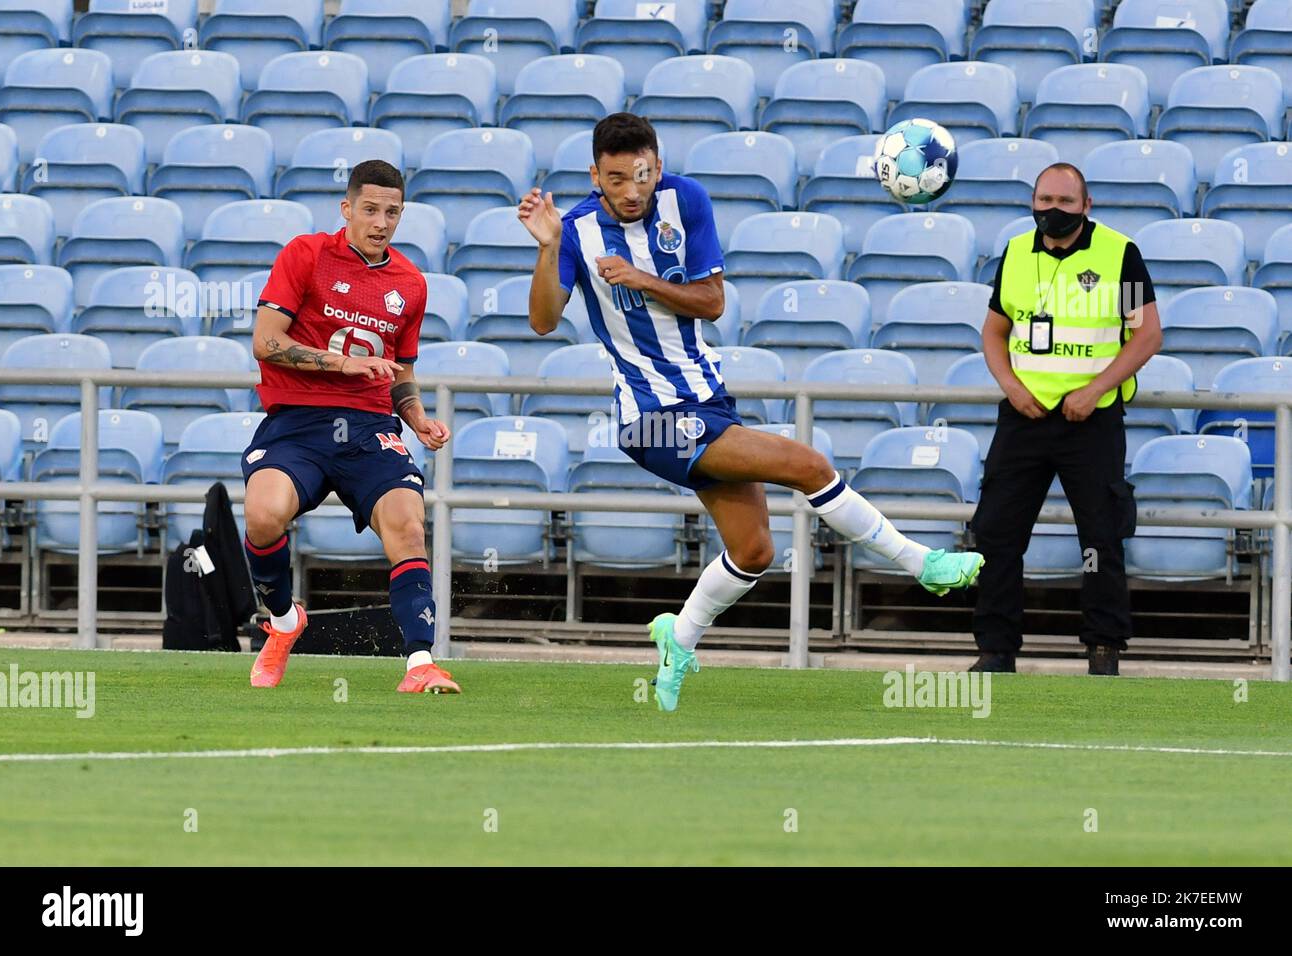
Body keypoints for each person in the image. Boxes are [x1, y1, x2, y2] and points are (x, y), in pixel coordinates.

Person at [518, 113, 984, 711]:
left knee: (755, 550)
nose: (631, 191)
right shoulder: (576, 230)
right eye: (616, 179)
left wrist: (641, 278)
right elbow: (541, 321)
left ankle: (677, 639)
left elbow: (711, 302)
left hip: (708, 397)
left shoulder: (685, 201)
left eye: (641, 175)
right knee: (808, 465)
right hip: (651, 417)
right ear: (595, 176)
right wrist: (550, 245)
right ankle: (921, 562)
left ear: (657, 167)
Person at [240, 159, 460, 694]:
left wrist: (417, 418)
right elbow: (266, 341)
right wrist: (341, 364)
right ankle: (285, 621)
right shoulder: (307, 254)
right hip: (298, 419)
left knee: (408, 524)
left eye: (392, 212)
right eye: (370, 210)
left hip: (369, 425)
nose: (380, 222)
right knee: (264, 515)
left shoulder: (410, 283)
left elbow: (401, 370)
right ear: (347, 209)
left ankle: (420, 663)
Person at [970, 162, 1163, 676]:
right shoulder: (1014, 253)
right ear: (1033, 202)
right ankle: (995, 650)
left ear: (1086, 206)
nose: (1053, 211)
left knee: (1100, 539)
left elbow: (1144, 334)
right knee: (996, 534)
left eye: (1064, 202)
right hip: (1023, 417)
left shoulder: (1119, 255)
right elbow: (994, 332)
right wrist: (1012, 387)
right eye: (1044, 201)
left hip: (1092, 420)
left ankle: (1103, 648)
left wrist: (1096, 389)